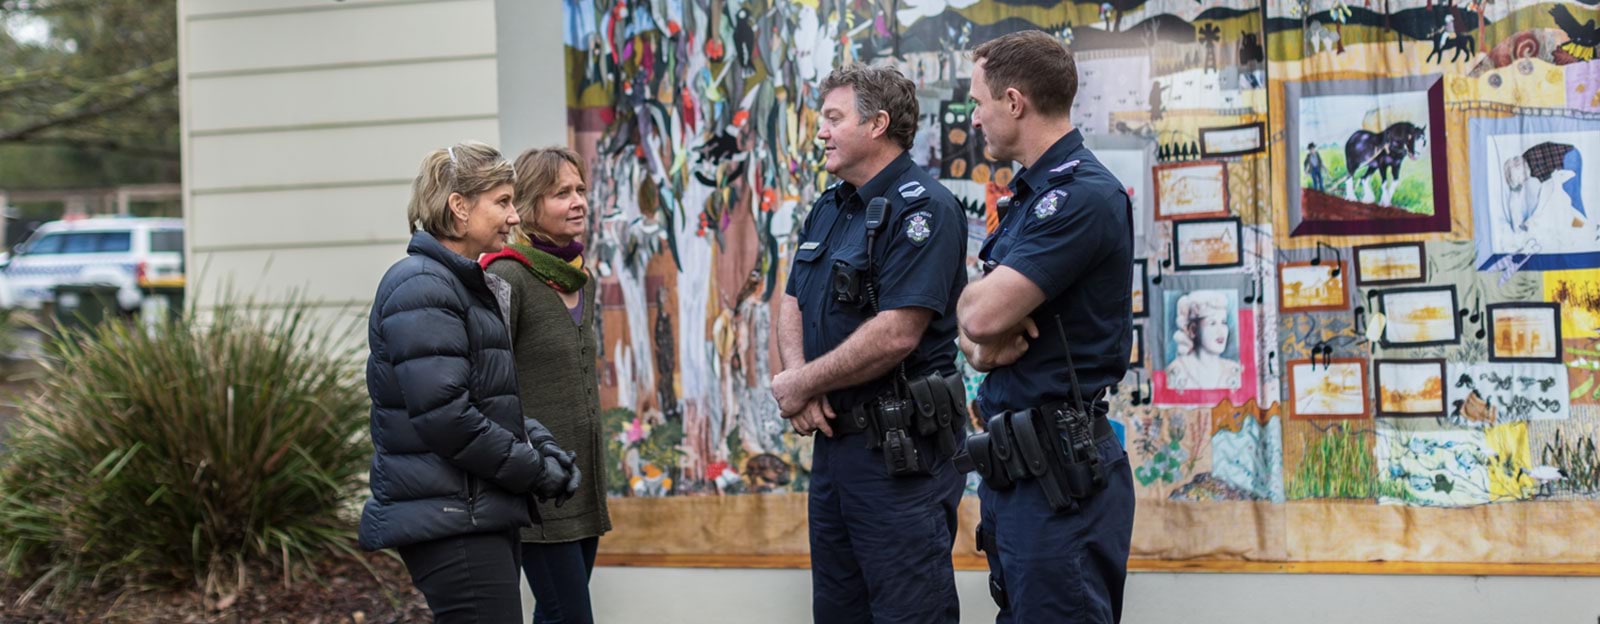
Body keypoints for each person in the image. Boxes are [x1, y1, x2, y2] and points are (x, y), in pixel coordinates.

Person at [770, 63, 969, 623]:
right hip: (835, 448)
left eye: (834, 118)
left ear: (878, 124)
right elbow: (792, 301)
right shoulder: (831, 206)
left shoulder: (924, 208)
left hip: (899, 457)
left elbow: (898, 333)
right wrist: (800, 385)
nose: (821, 131)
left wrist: (801, 382)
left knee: (910, 613)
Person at [954, 31, 1136, 623]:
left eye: (978, 100)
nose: (974, 115)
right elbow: (978, 334)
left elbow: (978, 315)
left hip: (1062, 475)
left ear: (1013, 101)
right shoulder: (1030, 196)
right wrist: (982, 344)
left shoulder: (1081, 196)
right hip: (1020, 469)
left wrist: (981, 329)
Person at [360, 141, 577, 624]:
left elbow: (488, 401)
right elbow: (447, 418)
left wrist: (542, 445)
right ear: (459, 206)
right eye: (501, 202)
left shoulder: (462, 285)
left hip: (474, 510)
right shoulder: (421, 286)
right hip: (451, 520)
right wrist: (533, 469)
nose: (514, 217)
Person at [483, 147, 610, 624]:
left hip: (583, 482)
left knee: (556, 616)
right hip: (537, 483)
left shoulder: (584, 279)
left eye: (580, 190)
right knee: (569, 615)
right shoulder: (505, 277)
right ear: (530, 205)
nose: (578, 201)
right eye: (562, 193)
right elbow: (488, 382)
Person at [1164, 290, 1242, 391]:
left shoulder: (1233, 370)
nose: (1221, 330)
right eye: (1212, 323)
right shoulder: (1176, 371)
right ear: (1193, 330)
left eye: (1223, 322)